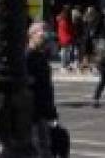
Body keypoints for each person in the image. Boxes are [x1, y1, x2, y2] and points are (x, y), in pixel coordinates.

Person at [26, 21, 59, 157]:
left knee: (45, 148)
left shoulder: (41, 57)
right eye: (42, 35)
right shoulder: (26, 57)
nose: (45, 38)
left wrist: (52, 112)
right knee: (36, 149)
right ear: (32, 35)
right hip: (31, 112)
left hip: (42, 111)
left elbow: (47, 87)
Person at [55, 7, 76, 72]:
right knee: (65, 52)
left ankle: (65, 65)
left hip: (62, 37)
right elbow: (70, 29)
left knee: (64, 52)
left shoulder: (60, 20)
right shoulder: (66, 21)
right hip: (66, 38)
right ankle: (64, 65)